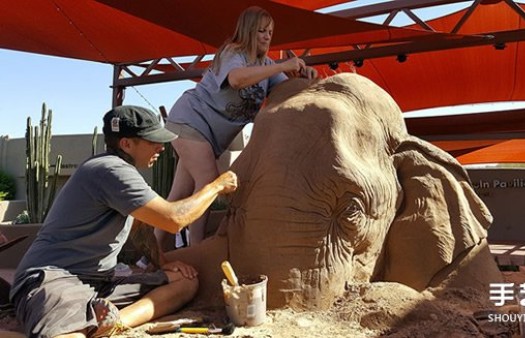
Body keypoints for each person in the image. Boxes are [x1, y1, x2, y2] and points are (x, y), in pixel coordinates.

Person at [9, 105, 238, 338]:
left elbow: (139, 227)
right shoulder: (110, 170)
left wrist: (161, 262)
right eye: (152, 141)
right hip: (55, 279)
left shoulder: (119, 171)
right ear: (126, 144)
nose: (161, 147)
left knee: (185, 283)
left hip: (98, 282)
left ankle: (112, 323)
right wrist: (216, 186)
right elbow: (175, 219)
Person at [156, 6, 318, 250]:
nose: (267, 36)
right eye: (261, 30)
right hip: (190, 120)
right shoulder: (234, 53)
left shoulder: (267, 66)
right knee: (208, 182)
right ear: (248, 30)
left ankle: (152, 256)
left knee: (179, 196)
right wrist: (282, 66)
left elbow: (285, 92)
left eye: (270, 32)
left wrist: (305, 79)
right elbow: (236, 79)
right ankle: (198, 249)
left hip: (209, 138)